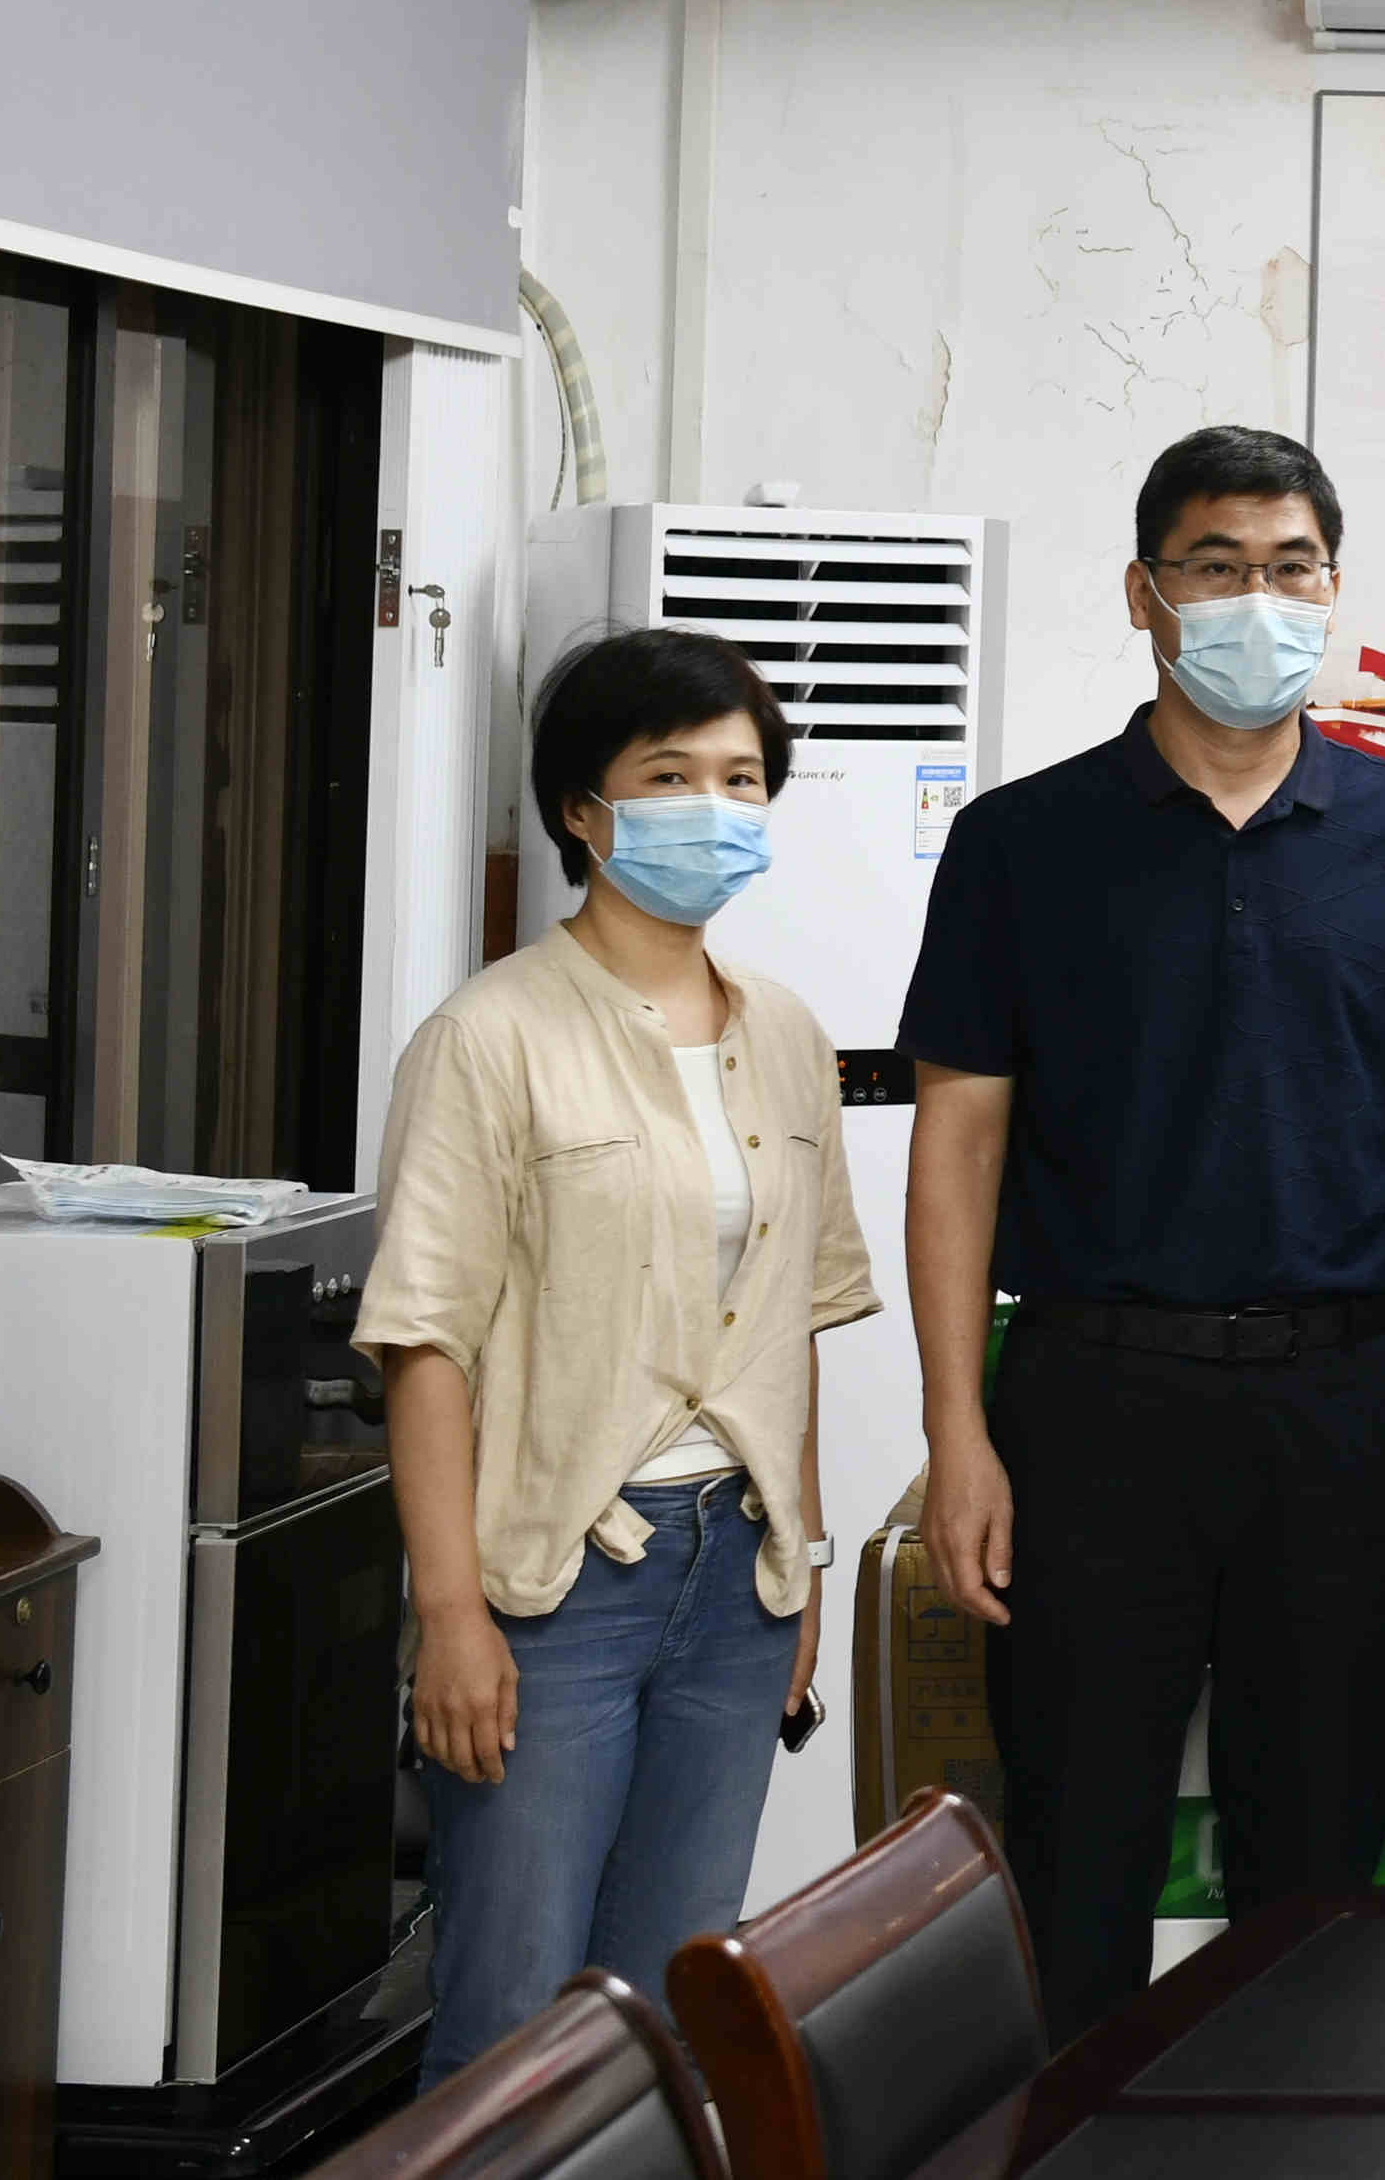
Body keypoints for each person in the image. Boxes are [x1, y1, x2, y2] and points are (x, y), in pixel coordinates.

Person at [902, 426, 1385, 2043]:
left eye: (1291, 567)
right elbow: (957, 1145)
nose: (1260, 599)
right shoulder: (1023, 840)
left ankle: (1297, 2147)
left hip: (1340, 1398)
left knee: (1315, 1874)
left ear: (1335, 588)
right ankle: (1070, 2145)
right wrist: (957, 1427)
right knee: (1076, 1852)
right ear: (1144, 592)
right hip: (1090, 1398)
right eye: (1218, 566)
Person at [363, 627, 879, 2083]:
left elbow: (789, 1326)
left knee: (673, 1999)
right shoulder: (488, 1035)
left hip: (738, 1581)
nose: (713, 805)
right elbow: (423, 1344)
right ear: (582, 810)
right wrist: (448, 1613)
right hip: (555, 1588)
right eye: (669, 774)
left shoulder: (788, 1037)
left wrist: (802, 1567)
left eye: (741, 777)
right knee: (512, 2009)